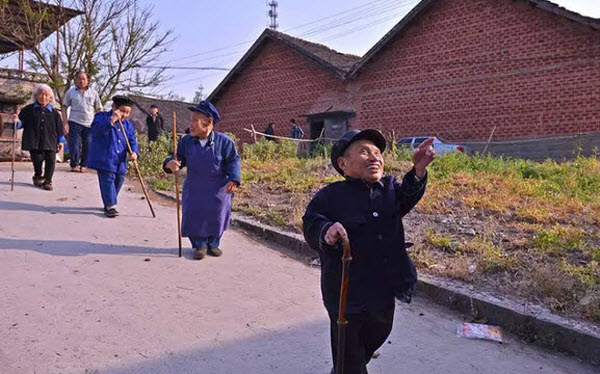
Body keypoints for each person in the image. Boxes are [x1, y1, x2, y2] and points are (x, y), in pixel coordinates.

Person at [302, 129, 436, 374]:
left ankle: (347, 367)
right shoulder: (330, 196)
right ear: (343, 163)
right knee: (348, 349)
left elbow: (408, 195)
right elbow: (311, 222)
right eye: (364, 152)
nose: (374, 157)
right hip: (346, 293)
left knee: (378, 332)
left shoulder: (390, 189)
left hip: (383, 286)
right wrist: (326, 230)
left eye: (377, 152)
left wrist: (418, 170)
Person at [163, 100, 241, 260]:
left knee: (217, 214)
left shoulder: (224, 142)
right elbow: (177, 158)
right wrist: (170, 163)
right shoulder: (186, 141)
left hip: (218, 187)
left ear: (208, 123)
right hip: (195, 186)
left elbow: (233, 160)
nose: (190, 124)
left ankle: (213, 243)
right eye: (190, 120)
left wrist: (234, 179)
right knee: (194, 213)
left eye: (194, 121)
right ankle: (199, 244)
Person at [87, 95, 139, 218]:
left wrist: (134, 152)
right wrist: (112, 120)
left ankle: (109, 199)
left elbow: (132, 140)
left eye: (128, 112)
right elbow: (96, 131)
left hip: (120, 160)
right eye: (123, 111)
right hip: (105, 158)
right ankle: (110, 205)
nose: (125, 115)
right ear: (114, 108)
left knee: (120, 179)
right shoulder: (101, 117)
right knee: (108, 179)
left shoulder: (128, 125)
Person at [15, 84, 65, 191]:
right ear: (36, 96)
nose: (43, 97)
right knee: (37, 160)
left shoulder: (54, 112)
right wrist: (16, 122)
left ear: (50, 97)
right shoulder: (28, 110)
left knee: (51, 161)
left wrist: (60, 141)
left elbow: (59, 128)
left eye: (46, 95)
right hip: (34, 141)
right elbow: (20, 124)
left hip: (50, 141)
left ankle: (48, 181)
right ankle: (38, 174)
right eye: (41, 94)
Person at [62, 71, 103, 173]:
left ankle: (84, 165)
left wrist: (100, 123)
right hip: (74, 121)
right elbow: (64, 106)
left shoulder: (94, 93)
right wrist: (65, 122)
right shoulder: (70, 92)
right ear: (75, 80)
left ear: (88, 81)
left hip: (89, 123)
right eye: (79, 78)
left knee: (88, 144)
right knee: (74, 144)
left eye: (84, 79)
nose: (81, 81)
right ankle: (74, 164)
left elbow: (99, 109)